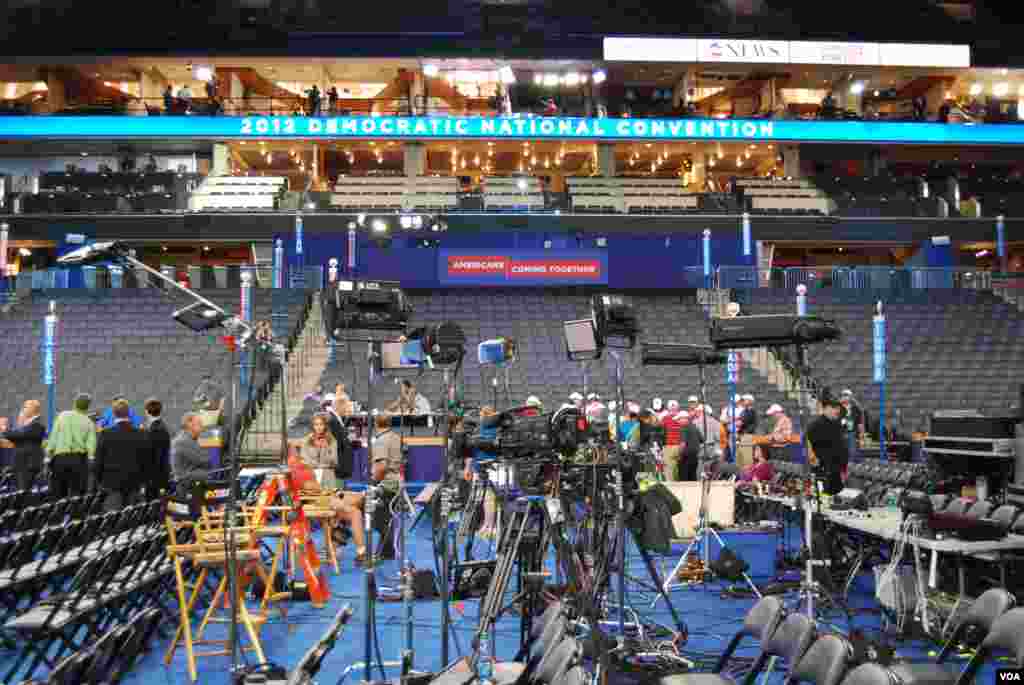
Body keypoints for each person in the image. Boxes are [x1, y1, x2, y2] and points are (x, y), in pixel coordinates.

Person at [94, 399, 150, 511]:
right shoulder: (142, 434)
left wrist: (99, 481)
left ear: (114, 414)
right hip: (135, 483)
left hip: (111, 484)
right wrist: (143, 480)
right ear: (129, 413)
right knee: (132, 520)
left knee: (113, 521)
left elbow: (98, 461)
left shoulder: (105, 434)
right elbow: (146, 460)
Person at [46, 392, 97, 498]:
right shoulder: (89, 423)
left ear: (74, 404)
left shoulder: (62, 416)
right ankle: (76, 514)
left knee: (58, 496)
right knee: (77, 497)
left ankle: (59, 514)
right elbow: (91, 448)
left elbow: (52, 440)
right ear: (88, 407)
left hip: (59, 460)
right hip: (79, 462)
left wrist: (47, 457)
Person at [805, 398, 849, 496]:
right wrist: (813, 459)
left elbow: (841, 446)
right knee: (824, 499)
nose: (837, 410)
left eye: (838, 408)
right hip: (823, 470)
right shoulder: (815, 425)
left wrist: (844, 467)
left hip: (837, 470)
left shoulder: (837, 424)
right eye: (834, 408)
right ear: (826, 408)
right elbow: (806, 444)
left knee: (837, 498)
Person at [2, 399, 45, 490]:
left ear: (33, 409)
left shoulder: (37, 423)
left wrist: (4, 430)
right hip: (23, 463)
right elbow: (19, 438)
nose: (23, 409)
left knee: (23, 491)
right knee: (21, 490)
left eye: (25, 407)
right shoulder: (29, 424)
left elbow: (20, 435)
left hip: (28, 463)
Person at [171, 412, 209, 489]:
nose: (202, 427)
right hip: (188, 486)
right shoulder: (184, 441)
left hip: (190, 483)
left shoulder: (187, 439)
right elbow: (204, 460)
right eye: (199, 424)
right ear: (189, 424)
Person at [299, 413, 339, 489]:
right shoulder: (306, 441)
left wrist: (326, 448)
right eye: (316, 424)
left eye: (321, 424)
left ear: (325, 426)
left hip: (327, 477)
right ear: (313, 426)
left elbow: (334, 461)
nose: (318, 427)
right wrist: (318, 465)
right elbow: (304, 460)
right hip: (311, 476)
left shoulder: (332, 441)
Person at [144, 398, 171, 500]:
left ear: (146, 412)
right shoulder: (162, 427)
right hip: (162, 475)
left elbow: (152, 456)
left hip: (155, 479)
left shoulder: (155, 430)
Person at [678, 411, 704, 481]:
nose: (678, 421)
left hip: (685, 456)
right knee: (693, 476)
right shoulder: (694, 427)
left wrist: (679, 455)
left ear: (684, 419)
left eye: (679, 419)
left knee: (684, 478)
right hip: (695, 455)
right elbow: (702, 439)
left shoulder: (683, 428)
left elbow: (683, 444)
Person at [661, 408, 685, 481]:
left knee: (668, 469)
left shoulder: (665, 419)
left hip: (668, 447)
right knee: (679, 468)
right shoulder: (682, 420)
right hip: (679, 446)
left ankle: (671, 485)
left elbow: (661, 433)